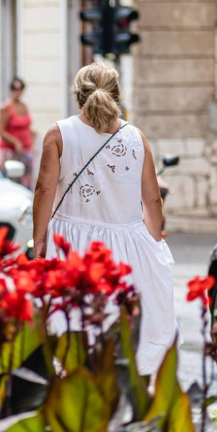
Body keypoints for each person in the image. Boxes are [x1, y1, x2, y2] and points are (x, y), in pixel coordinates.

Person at [30, 62, 177, 375]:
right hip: (126, 246)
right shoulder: (137, 137)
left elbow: (44, 190)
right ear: (117, 95)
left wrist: (40, 239)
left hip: (72, 244)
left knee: (75, 326)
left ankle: (77, 391)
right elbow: (151, 198)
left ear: (78, 96)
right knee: (122, 329)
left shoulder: (58, 134)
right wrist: (154, 240)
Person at [0, 77, 35, 188]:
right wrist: (15, 142)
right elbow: (1, 131)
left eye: (20, 89)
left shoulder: (24, 106)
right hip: (10, 152)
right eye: (14, 88)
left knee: (26, 182)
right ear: (10, 90)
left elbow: (26, 126)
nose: (17, 91)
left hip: (25, 151)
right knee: (12, 182)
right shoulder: (5, 108)